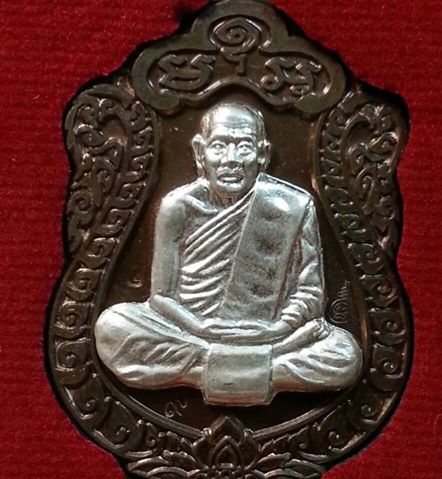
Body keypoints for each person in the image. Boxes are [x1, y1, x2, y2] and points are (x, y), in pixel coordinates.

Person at [95, 102, 362, 405]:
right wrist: (201, 327)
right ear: (200, 152)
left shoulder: (294, 206)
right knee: (112, 327)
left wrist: (277, 328)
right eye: (219, 146)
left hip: (269, 335)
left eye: (244, 147)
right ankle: (259, 371)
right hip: (193, 333)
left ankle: (209, 370)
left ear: (263, 154)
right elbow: (161, 297)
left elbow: (310, 293)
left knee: (344, 354)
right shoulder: (178, 206)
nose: (231, 159)